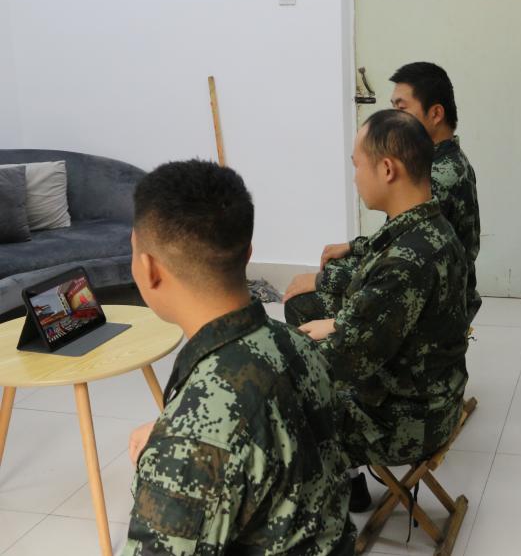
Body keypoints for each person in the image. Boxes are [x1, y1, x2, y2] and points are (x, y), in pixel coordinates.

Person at [122, 160, 355, 555]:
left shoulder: (192, 444)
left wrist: (174, 450)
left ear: (149, 269)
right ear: (248, 253)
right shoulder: (296, 343)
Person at [289, 109, 469, 471]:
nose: (355, 177)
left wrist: (270, 356)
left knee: (280, 413)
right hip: (434, 398)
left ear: (387, 169)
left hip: (403, 422)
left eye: (357, 165)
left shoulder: (406, 262)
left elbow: (338, 361)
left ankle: (331, 502)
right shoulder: (432, 228)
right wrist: (338, 324)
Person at [285, 62, 481, 325]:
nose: (394, 119)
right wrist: (354, 246)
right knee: (338, 261)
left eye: (402, 108)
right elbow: (399, 236)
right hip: (431, 281)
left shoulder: (437, 177)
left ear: (435, 114)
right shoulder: (443, 160)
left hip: (435, 301)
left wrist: (322, 281)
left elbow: (406, 260)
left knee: (302, 302)